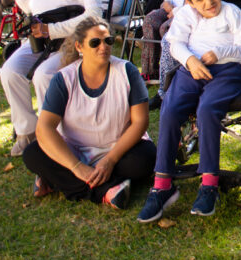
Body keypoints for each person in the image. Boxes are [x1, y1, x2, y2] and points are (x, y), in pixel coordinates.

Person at [138, 0, 241, 221]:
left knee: (207, 109)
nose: (208, 2)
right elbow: (175, 43)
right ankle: (162, 185)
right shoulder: (186, 15)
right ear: (189, 2)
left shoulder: (232, 13)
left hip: (227, 69)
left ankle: (209, 183)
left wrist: (219, 53)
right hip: (191, 68)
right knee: (169, 110)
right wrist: (190, 60)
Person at [24, 17, 155, 208]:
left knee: (146, 159)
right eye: (95, 43)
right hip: (75, 151)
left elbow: (140, 122)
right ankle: (106, 192)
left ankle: (57, 180)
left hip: (118, 149)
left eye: (108, 40)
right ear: (79, 46)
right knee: (32, 154)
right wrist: (77, 167)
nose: (104, 47)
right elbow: (44, 128)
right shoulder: (64, 79)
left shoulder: (127, 71)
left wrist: (110, 160)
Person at [0, 0, 103, 156]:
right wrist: (37, 20)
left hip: (72, 41)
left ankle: (55, 135)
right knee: (9, 71)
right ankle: (27, 131)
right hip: (40, 40)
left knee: (44, 75)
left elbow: (95, 15)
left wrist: (53, 29)